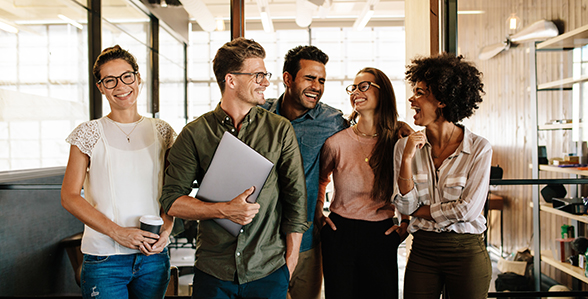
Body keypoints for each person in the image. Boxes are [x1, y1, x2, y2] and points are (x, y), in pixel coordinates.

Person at [159, 37, 309, 299]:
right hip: (214, 270)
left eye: (265, 74)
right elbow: (172, 200)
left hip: (269, 269)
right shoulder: (195, 134)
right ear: (231, 80)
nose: (265, 82)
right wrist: (224, 210)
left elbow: (295, 199)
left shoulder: (279, 129)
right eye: (258, 75)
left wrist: (291, 261)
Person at [61, 45, 175, 299]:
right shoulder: (88, 132)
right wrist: (118, 233)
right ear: (101, 87)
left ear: (138, 78)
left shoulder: (162, 131)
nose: (121, 86)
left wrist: (166, 229)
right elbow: (69, 196)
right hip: (104, 258)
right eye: (109, 81)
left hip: (153, 258)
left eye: (126, 76)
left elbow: (172, 191)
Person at [393, 53, 492, 299]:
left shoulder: (479, 148)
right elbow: (404, 205)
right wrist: (406, 159)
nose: (411, 98)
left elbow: (468, 211)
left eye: (420, 92)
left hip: (467, 251)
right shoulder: (404, 147)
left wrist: (420, 210)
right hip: (422, 250)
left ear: (442, 100)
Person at [261, 45, 347, 299]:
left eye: (321, 80)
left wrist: (398, 127)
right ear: (288, 78)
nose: (317, 86)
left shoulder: (332, 121)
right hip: (262, 243)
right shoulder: (259, 115)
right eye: (309, 78)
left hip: (308, 241)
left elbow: (369, 129)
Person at [316, 67, 410, 299]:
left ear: (383, 93)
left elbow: (413, 184)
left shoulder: (398, 140)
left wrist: (407, 222)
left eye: (364, 86)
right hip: (340, 232)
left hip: (381, 233)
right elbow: (320, 179)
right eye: (354, 87)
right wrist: (319, 212)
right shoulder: (336, 142)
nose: (356, 91)